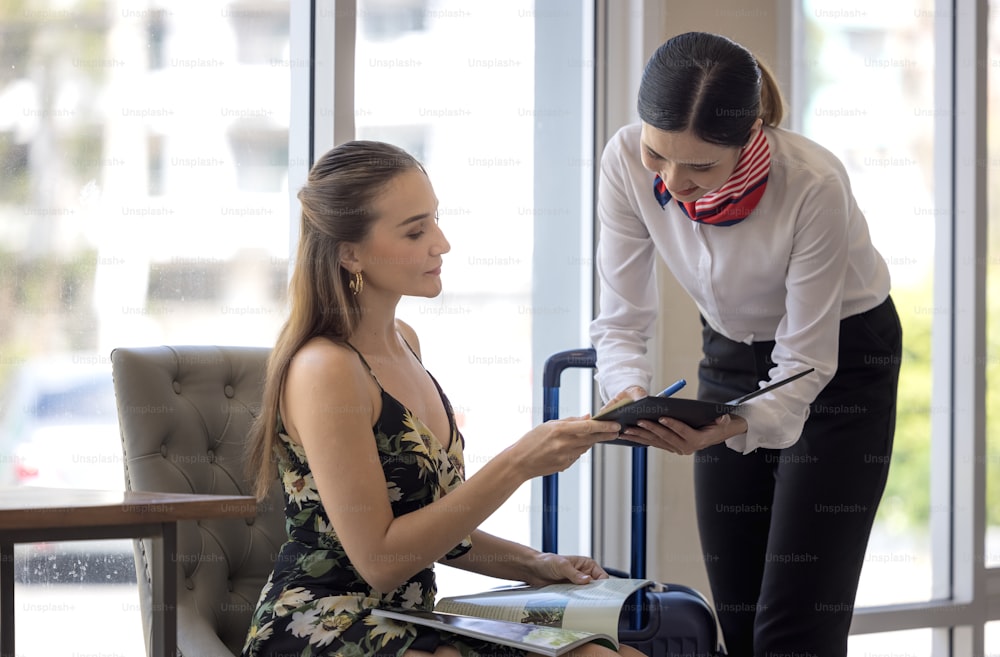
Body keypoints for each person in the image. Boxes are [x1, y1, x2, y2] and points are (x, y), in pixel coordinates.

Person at [241, 140, 644, 657]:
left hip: (404, 619)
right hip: (321, 623)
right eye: (416, 230)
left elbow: (432, 524)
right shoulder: (326, 369)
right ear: (350, 253)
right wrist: (520, 463)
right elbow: (381, 561)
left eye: (434, 220)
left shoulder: (406, 340)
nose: (442, 243)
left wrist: (535, 564)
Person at [590, 32, 902, 657]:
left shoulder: (813, 182)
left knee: (795, 629)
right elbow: (621, 319)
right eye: (660, 156)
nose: (675, 183)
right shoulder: (625, 158)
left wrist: (736, 426)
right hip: (731, 352)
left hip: (843, 363)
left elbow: (807, 359)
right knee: (736, 609)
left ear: (750, 134)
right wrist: (628, 392)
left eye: (701, 166)